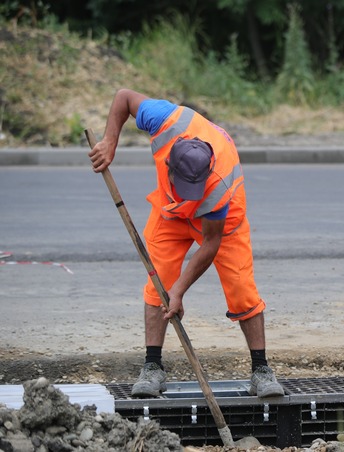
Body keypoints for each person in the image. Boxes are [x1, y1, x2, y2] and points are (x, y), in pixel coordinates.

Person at [89, 88, 284, 398]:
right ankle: (152, 366)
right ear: (171, 163)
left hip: (222, 223)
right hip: (170, 213)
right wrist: (110, 142)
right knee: (158, 282)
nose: (187, 191)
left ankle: (261, 370)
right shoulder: (164, 120)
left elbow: (209, 245)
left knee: (241, 287)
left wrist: (179, 292)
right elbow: (123, 97)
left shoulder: (218, 185)